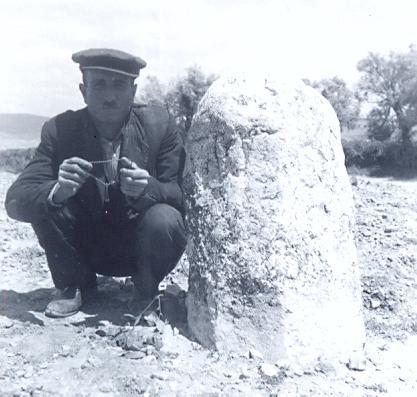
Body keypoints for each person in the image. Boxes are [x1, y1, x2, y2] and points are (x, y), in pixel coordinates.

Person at [5, 48, 187, 318]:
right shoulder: (59, 130)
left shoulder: (159, 126)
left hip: (139, 250)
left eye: (119, 85)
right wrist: (58, 191)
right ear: (83, 90)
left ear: (134, 91)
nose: (110, 96)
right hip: (83, 251)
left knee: (166, 217)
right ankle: (75, 286)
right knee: (46, 201)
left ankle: (144, 290)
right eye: (99, 84)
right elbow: (16, 200)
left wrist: (149, 188)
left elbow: (182, 197)